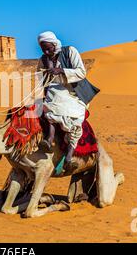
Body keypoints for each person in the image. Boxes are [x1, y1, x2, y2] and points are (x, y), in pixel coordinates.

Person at [37, 31, 99, 168]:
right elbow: (41, 79)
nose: (47, 51)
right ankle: (49, 139)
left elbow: (81, 72)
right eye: (44, 49)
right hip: (54, 90)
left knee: (75, 119)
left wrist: (61, 71)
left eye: (49, 48)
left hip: (75, 92)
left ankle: (69, 156)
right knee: (45, 103)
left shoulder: (70, 51)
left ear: (54, 44)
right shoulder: (43, 59)